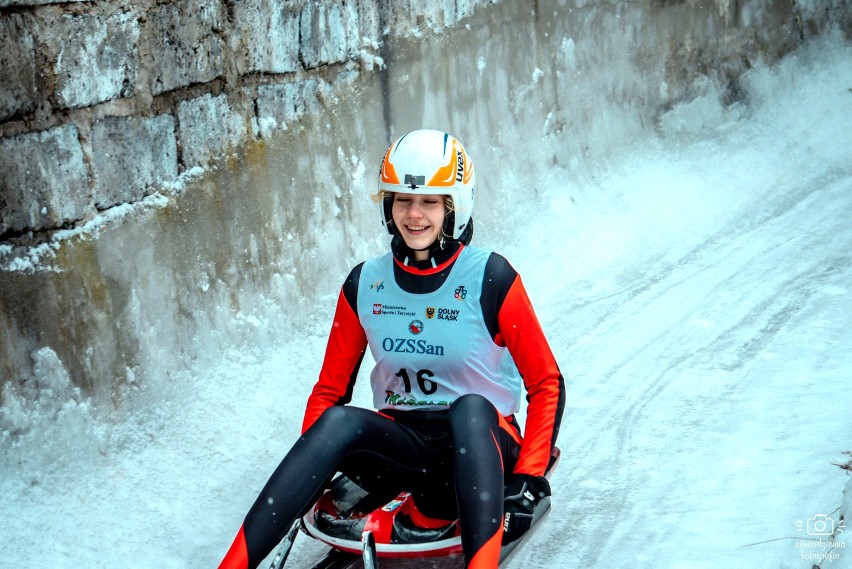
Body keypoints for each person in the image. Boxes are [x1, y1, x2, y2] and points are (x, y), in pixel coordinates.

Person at [218, 129, 565, 569]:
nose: (414, 214)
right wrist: (320, 468)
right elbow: (329, 392)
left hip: (483, 448)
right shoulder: (365, 283)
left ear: (453, 207)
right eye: (402, 200)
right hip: (411, 453)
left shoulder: (492, 278)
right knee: (341, 420)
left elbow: (547, 383)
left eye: (429, 202)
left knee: (470, 407)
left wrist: (530, 476)